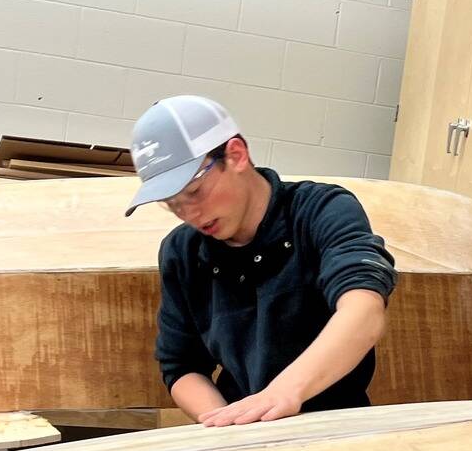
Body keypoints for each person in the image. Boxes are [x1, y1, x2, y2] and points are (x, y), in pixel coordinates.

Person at [128, 94, 396, 426]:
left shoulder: (321, 211)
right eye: (172, 203)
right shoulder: (182, 252)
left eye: (194, 192)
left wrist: (283, 393)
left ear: (236, 155)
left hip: (336, 427)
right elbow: (180, 366)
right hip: (245, 435)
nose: (189, 214)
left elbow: (364, 309)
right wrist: (225, 421)